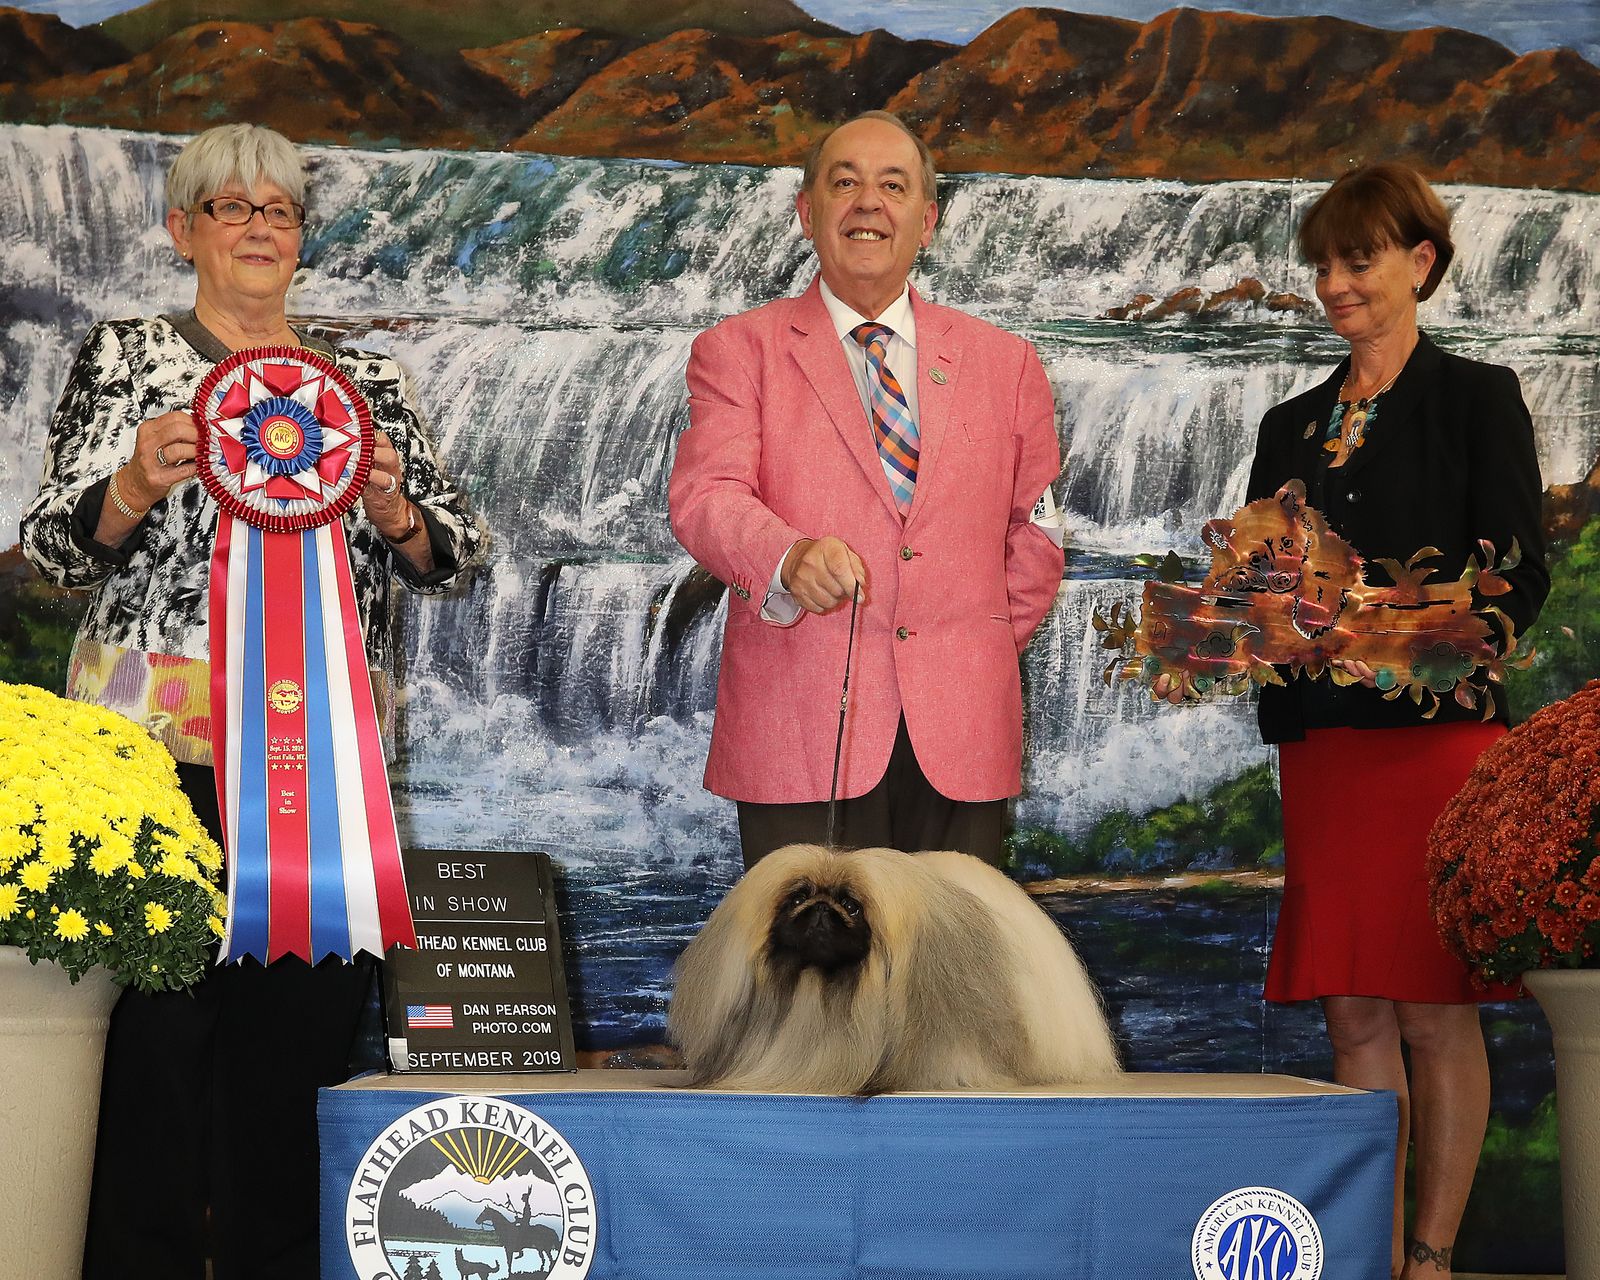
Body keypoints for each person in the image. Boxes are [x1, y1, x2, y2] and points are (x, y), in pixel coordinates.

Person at [19, 123, 482, 1279]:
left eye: (279, 209)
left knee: (293, 1063)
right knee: (152, 1061)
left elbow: (453, 555)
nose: (260, 227)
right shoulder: (129, 356)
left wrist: (395, 510)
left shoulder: (366, 382)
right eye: (233, 207)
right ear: (184, 231)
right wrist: (132, 481)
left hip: (316, 765)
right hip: (146, 760)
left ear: (300, 235)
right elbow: (55, 549)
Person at [1245, 164, 1548, 1279]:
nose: (1335, 282)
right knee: (1354, 1017)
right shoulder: (1286, 426)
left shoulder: (1478, 398)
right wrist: (1239, 621)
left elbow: (1517, 578)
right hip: (1325, 751)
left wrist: (1395, 633)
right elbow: (1257, 586)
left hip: (1437, 751)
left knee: (1433, 1012)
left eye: (1358, 259)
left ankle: (1431, 1258)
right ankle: (1368, 1255)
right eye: (1323, 263)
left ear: (1420, 262)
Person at [668, 111, 1064, 868]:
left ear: (928, 221)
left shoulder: (1008, 364)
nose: (869, 203)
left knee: (953, 950)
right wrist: (787, 558)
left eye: (894, 185)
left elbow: (1036, 536)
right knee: (810, 953)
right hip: (799, 732)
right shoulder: (736, 351)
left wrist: (960, 647)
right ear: (806, 211)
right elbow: (705, 495)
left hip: (964, 729)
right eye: (844, 182)